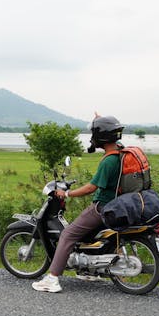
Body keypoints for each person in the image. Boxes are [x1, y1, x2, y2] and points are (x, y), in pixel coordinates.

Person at [32, 114, 124, 293]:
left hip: (102, 207)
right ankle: (90, 271)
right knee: (87, 237)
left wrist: (67, 193)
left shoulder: (109, 161)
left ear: (101, 137)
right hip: (116, 204)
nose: (92, 138)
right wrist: (102, 121)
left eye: (95, 133)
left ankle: (52, 279)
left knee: (67, 235)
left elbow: (91, 188)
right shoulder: (120, 152)